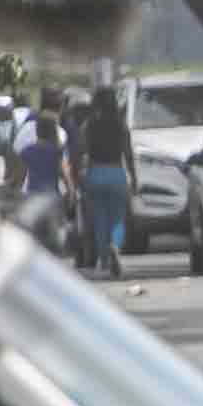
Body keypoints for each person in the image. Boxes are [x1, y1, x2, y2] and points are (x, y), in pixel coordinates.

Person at [74, 84, 136, 277]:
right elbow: (128, 153)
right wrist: (133, 177)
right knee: (118, 218)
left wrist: (78, 176)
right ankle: (115, 246)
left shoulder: (88, 125)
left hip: (95, 173)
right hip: (116, 173)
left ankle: (105, 260)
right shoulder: (121, 124)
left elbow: (80, 153)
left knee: (100, 218)